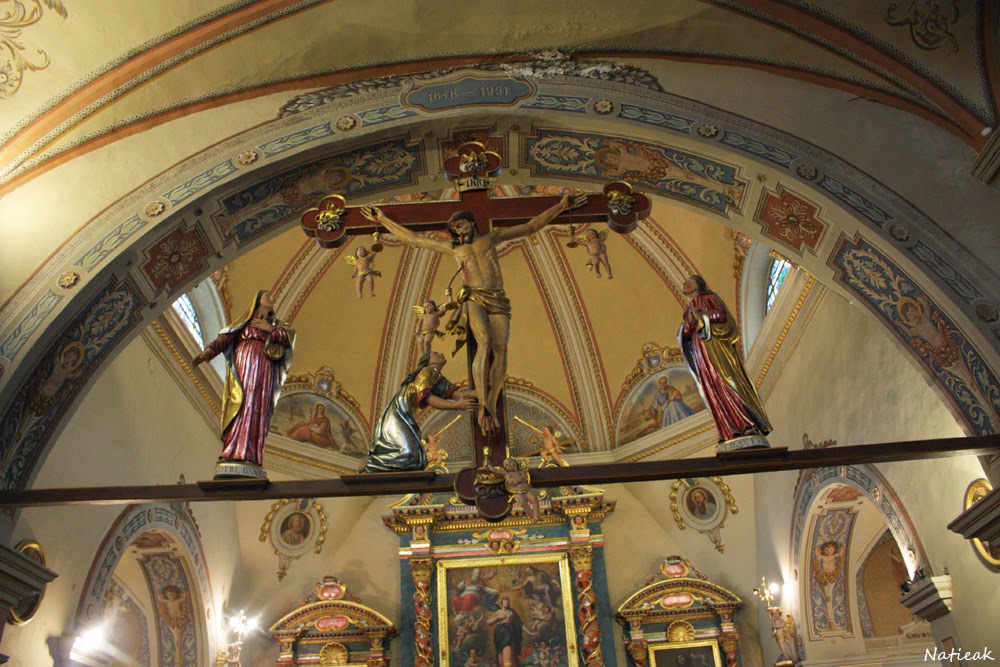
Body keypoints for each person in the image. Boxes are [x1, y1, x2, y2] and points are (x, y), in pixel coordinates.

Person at [362, 193, 586, 434]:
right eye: (454, 228)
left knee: (501, 349)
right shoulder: (453, 249)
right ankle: (482, 404)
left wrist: (561, 207)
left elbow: (531, 227)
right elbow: (415, 240)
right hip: (473, 296)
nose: (458, 231)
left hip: (497, 297)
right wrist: (383, 220)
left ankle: (489, 401)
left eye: (460, 225)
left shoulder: (492, 238)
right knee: (485, 342)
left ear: (471, 222)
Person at [193, 290, 294, 472]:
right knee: (243, 402)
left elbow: (288, 340)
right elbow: (227, 337)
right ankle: (233, 450)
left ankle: (253, 455)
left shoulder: (277, 325)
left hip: (264, 366)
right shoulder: (245, 321)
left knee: (258, 407)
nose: (272, 299)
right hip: (245, 361)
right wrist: (208, 352)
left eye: (272, 297)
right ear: (257, 300)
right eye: (267, 296)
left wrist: (270, 329)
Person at [678, 275, 771, 444]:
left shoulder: (709, 298)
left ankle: (746, 424)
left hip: (715, 345)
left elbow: (722, 316)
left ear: (697, 285)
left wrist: (702, 316)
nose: (684, 283)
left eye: (688, 281)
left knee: (724, 381)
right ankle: (729, 429)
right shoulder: (689, 307)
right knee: (712, 389)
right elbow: (685, 333)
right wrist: (690, 323)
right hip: (700, 351)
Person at [360, 351, 476, 472]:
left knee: (414, 458)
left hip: (404, 417)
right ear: (430, 361)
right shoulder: (426, 372)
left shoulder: (436, 376)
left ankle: (373, 463)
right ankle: (369, 463)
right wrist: (457, 405)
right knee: (410, 455)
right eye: (435, 353)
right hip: (397, 416)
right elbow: (429, 398)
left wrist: (482, 392)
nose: (441, 353)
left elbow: (457, 395)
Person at [485, 597, 524, 667]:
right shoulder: (498, 612)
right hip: (499, 633)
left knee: (508, 652)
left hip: (508, 632)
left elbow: (519, 624)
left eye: (508, 601)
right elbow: (488, 622)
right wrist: (497, 618)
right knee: (500, 655)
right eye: (505, 601)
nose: (507, 602)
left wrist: (530, 632)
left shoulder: (511, 612)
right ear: (501, 603)